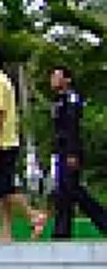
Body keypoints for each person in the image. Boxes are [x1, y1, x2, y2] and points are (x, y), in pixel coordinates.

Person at [0, 46, 45, 243]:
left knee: (2, 186)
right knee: (2, 190)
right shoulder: (0, 80)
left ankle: (33, 215)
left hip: (1, 143)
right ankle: (6, 231)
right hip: (5, 142)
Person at [42, 64, 107, 241]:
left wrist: (72, 152)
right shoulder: (58, 100)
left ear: (67, 80)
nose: (53, 80)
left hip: (70, 150)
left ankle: (103, 221)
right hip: (61, 150)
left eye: (57, 76)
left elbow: (72, 127)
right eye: (52, 76)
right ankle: (61, 232)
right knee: (63, 192)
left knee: (74, 190)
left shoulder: (71, 99)